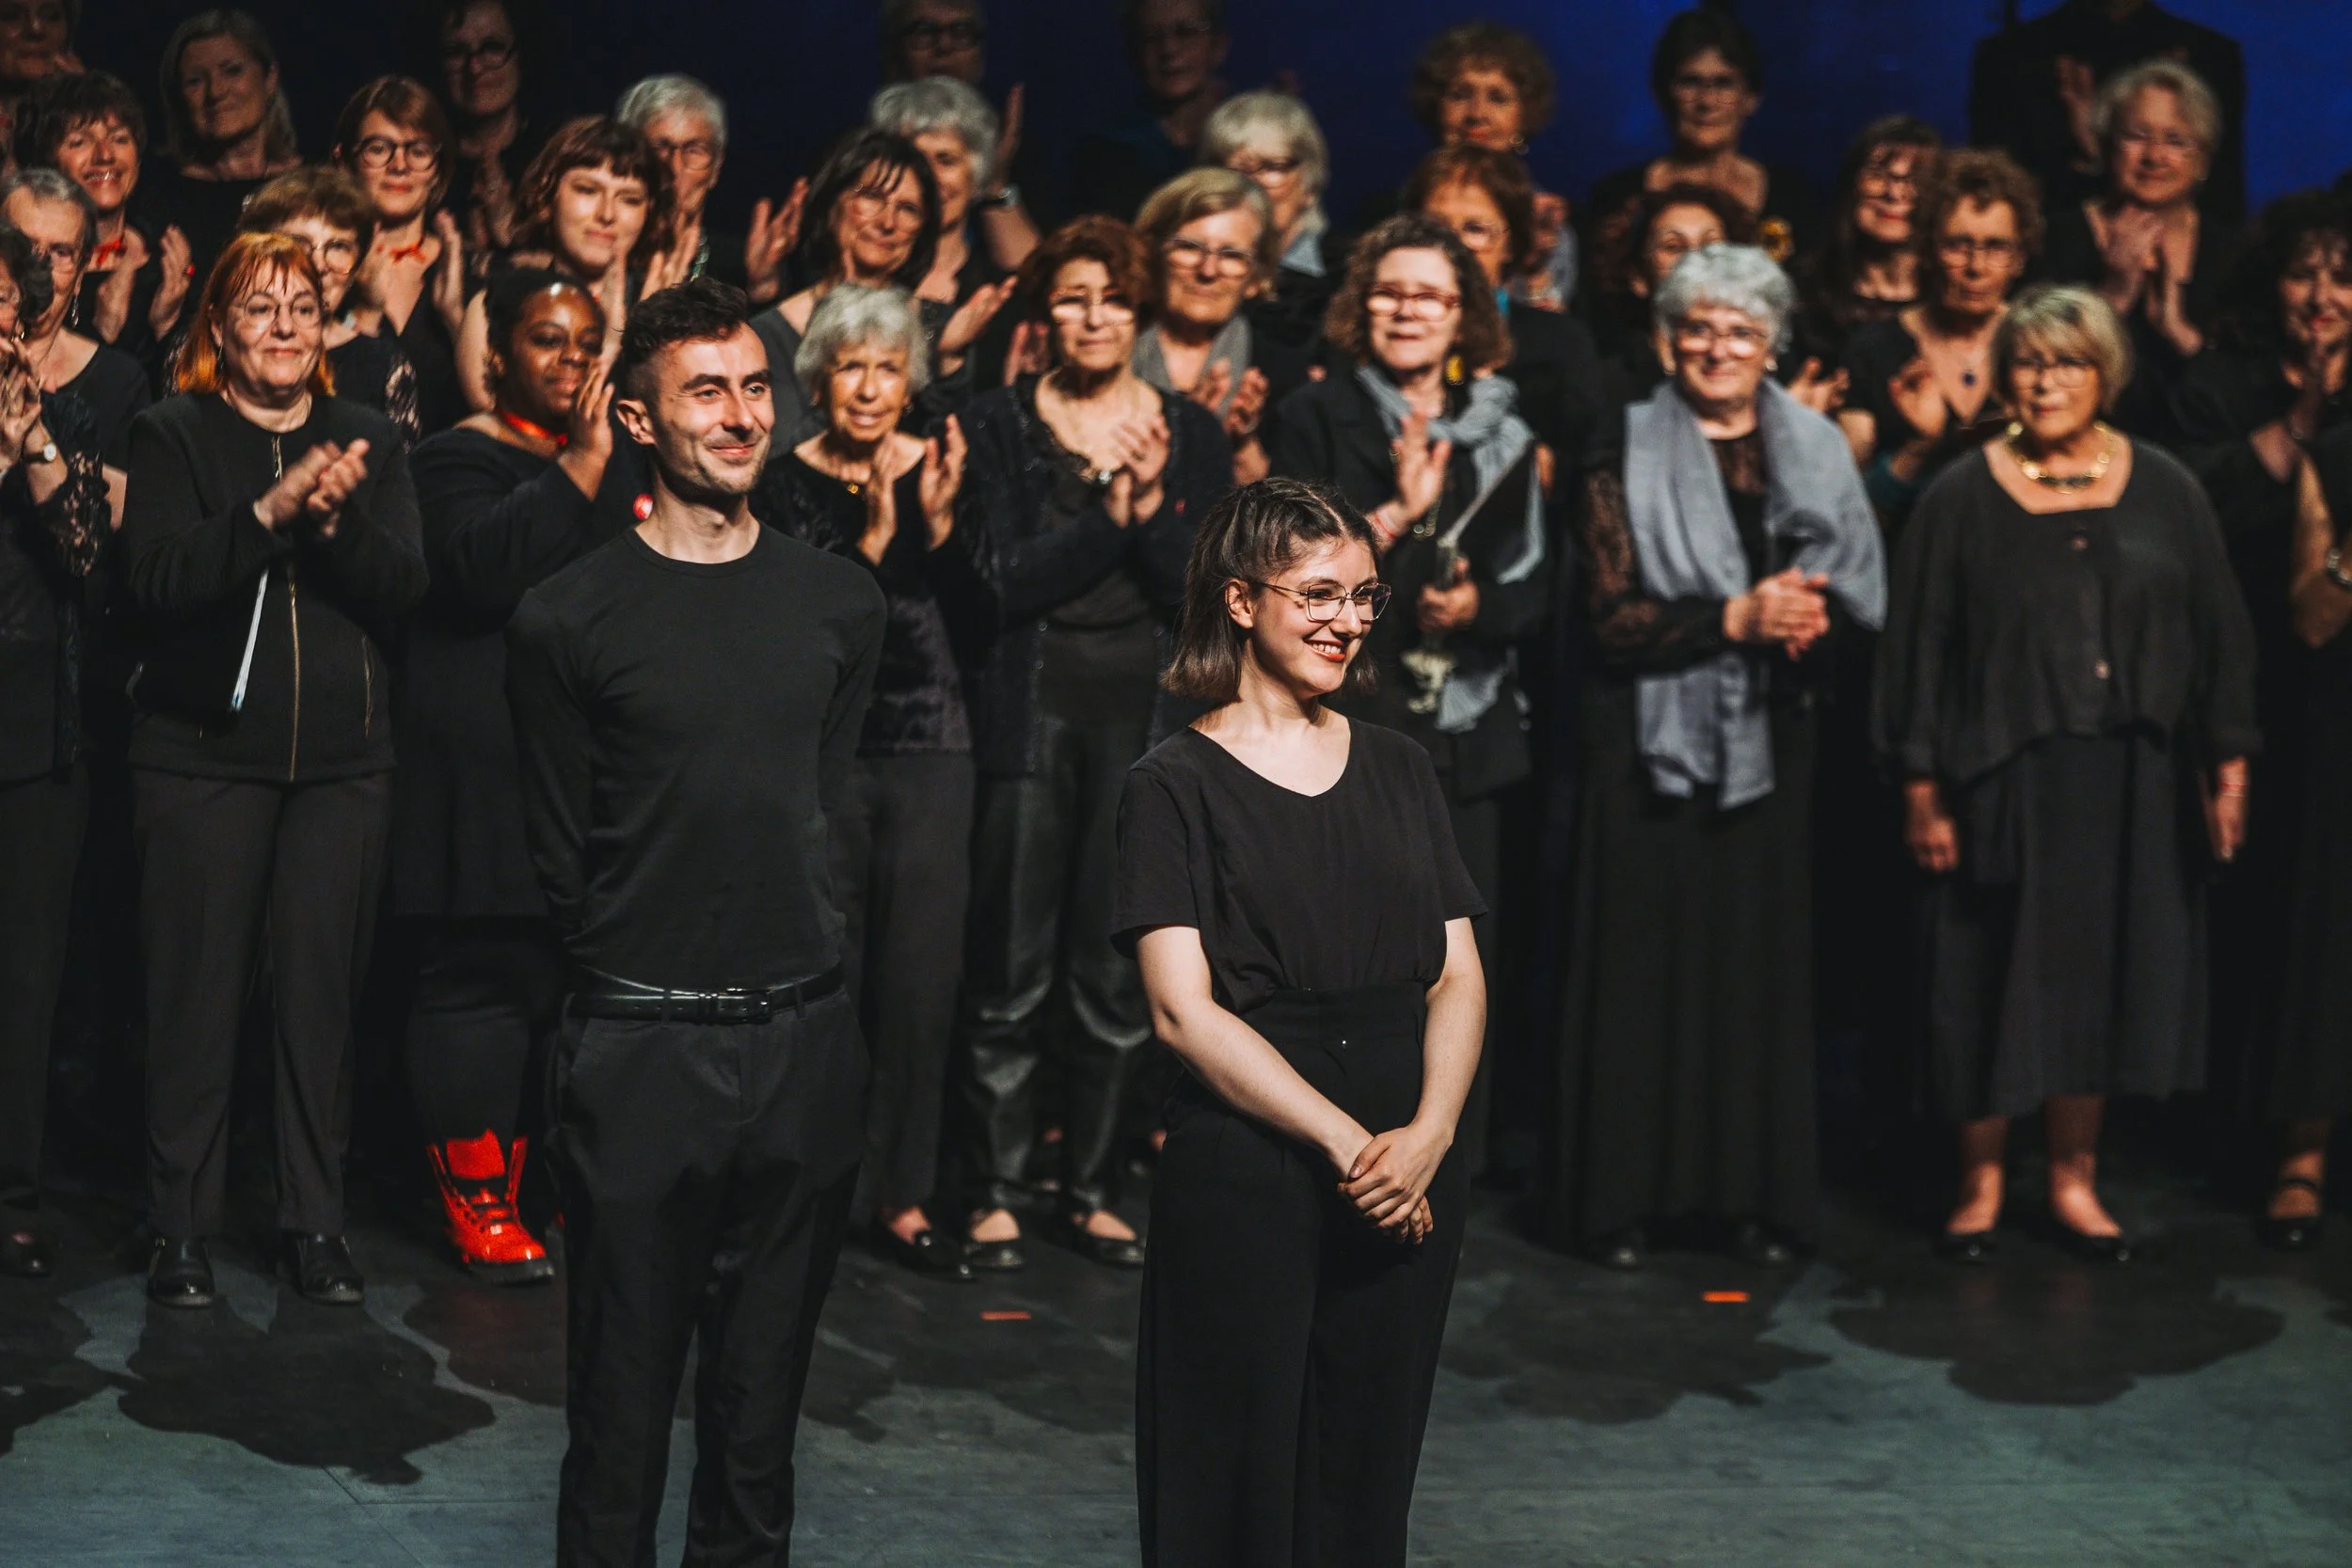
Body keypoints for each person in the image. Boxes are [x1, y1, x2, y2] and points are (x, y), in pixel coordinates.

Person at [504, 277, 883, 1566]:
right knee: (618, 1428)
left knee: (758, 1430)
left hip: (800, 1043)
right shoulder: (569, 614)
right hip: (640, 1048)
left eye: (754, 386)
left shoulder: (840, 603)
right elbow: (564, 848)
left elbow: (819, 811)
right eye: (706, 390)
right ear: (638, 417)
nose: (740, 415)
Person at [1116, 477, 1484, 1565]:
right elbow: (1183, 1013)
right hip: (1256, 1148)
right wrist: (1348, 1146)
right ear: (1240, 600)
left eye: (1364, 597)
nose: (1348, 621)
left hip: (1406, 1146)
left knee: (1363, 1469)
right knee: (1231, 1467)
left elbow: (1456, 976)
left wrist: (1427, 1138)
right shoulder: (1171, 782)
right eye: (1318, 594)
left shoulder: (1401, 766)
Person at [1873, 284, 2258, 1265]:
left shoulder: (2166, 484)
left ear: (2106, 374)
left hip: (2132, 779)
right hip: (1998, 780)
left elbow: (2219, 631)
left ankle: (2075, 1179)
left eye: (2067, 362)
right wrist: (1921, 782)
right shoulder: (1962, 492)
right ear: (2004, 375)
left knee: (2098, 978)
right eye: (2029, 362)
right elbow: (1917, 646)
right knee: (1982, 972)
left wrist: (2227, 768)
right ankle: (1981, 1179)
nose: (2046, 381)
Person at [1549, 244, 1883, 1268]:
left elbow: (1861, 592)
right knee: (1644, 979)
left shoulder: (1815, 444)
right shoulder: (1624, 435)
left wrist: (1803, 620)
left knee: (1752, 982)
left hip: (1773, 743)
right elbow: (1609, 617)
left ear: (1772, 344)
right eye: (1697, 327)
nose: (1716, 346)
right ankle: (1620, 1203)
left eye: (1739, 330)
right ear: (1667, 337)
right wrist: (1739, 614)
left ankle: (1747, 1200)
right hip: (1646, 743)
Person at [118, 232, 426, 1308]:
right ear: (220, 328)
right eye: (260, 307)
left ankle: (315, 1223)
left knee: (318, 1003)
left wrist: (331, 521)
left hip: (344, 767)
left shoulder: (368, 437)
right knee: (194, 1000)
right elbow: (153, 580)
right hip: (202, 761)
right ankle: (181, 1229)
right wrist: (267, 514)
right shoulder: (172, 433)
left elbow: (405, 587)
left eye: (304, 304)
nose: (286, 324)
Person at [954, 215, 1228, 1272]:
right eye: (1071, 297)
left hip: (1142, 726)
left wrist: (1151, 505)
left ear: (1140, 307)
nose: (1093, 315)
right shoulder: (997, 423)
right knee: (1011, 969)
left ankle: (1096, 1184)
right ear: (1044, 312)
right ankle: (993, 1188)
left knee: (1116, 976)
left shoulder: (1189, 428)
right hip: (1029, 719)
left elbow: (1201, 591)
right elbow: (997, 584)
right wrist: (1105, 518)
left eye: (1111, 298)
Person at [1265, 214, 1546, 1181]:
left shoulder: (1505, 432)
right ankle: (1354, 1147)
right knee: (1355, 948)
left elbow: (1539, 590)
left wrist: (1479, 605)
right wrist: (1396, 515)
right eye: (1388, 291)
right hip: (1355, 724)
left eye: (1429, 294)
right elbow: (1294, 580)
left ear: (1467, 313)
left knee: (1462, 957)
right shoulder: (1316, 417)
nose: (1406, 310)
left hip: (1467, 728)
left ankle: (1447, 1146)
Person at [394, 267, 642, 1283]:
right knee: (481, 989)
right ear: (495, 356)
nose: (571, 360)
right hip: (479, 779)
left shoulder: (625, 469)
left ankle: (548, 1189)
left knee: (564, 993)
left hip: (586, 781)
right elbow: (479, 573)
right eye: (548, 339)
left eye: (587, 343)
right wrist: (581, 466)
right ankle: (475, 1198)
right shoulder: (454, 459)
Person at [766, 285, 993, 1282]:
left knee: (920, 980)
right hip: (832, 748)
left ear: (912, 382)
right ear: (818, 379)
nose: (867, 387)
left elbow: (988, 619)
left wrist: (936, 532)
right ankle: (813, 1181)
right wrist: (866, 547)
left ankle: (902, 1194)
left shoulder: (944, 467)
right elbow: (802, 628)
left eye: (887, 367)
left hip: (933, 743)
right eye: (850, 366)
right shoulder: (785, 480)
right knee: (830, 970)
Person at [0, 225, 112, 1279]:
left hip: (34, 727)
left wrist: (30, 436)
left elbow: (87, 552)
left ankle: (13, 1192)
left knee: (25, 978)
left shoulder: (54, 413)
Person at [751, 128, 1009, 451]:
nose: (888, 222)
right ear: (833, 203)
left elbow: (952, 461)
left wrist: (947, 366)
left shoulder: (943, 328)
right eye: (872, 197)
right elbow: (777, 461)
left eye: (908, 209)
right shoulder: (769, 334)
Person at [1838, 150, 2042, 530]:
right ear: (1928, 250)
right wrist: (1919, 446)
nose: (1976, 268)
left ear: (2020, 258)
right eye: (1957, 245)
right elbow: (1850, 514)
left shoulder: (2043, 348)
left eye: (1996, 248)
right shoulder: (1873, 350)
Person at [2041, 59, 2233, 448]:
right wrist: (2113, 294)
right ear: (2107, 145)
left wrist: (2181, 335)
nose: (2154, 156)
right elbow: (2036, 368)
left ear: (2203, 162)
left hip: (2198, 454)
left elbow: (2240, 397)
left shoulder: (2231, 251)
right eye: (2136, 135)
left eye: (2176, 141)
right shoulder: (2054, 237)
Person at [2268, 424, 2352, 1247]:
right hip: (2341, 728)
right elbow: (2310, 618)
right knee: (2330, 935)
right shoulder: (2331, 457)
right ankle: (2305, 1152)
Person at [455, 115, 686, 414]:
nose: (607, 214)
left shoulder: (658, 306)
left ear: (649, 214)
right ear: (548, 196)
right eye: (587, 190)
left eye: (629, 199)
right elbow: (499, 434)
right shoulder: (496, 306)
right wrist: (609, 344)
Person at [1406, 144, 1612, 477]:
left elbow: (1588, 463)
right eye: (1435, 227)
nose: (1452, 245)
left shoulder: (1561, 343)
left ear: (1512, 244)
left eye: (1475, 229)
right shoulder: (1383, 337)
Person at [1967, 0, 2245, 226]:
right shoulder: (2011, 57)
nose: (2154, 154)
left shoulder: (2209, 57)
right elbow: (1994, 190)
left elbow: (2225, 189)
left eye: (2173, 139)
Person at [1584, 8, 1816, 268]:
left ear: (1751, 98)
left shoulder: (1796, 201)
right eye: (1690, 82)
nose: (1706, 101)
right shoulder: (1616, 197)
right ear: (1663, 94)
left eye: (1723, 83)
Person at [1132, 167, 1297, 483]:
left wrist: (1242, 443)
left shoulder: (1283, 374)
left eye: (1232, 255)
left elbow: (1290, 518)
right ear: (1154, 253)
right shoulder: (1108, 347)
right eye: (1189, 247)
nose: (1208, 270)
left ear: (1256, 278)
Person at [14, 70, 193, 363]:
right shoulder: (22, 266)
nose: (105, 155)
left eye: (119, 138)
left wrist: (167, 327)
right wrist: (102, 332)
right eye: (79, 142)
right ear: (48, 160)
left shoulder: (167, 263)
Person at [3, 169, 151, 517]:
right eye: (23, 247)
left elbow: (130, 515)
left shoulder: (120, 382)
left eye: (60, 253)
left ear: (82, 272)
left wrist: (41, 441)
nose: (38, 267)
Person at [870, 75, 1037, 386]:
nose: (931, 177)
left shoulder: (1001, 292)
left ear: (976, 174)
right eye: (917, 159)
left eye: (946, 160)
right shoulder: (865, 279)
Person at [1406, 22, 1577, 313]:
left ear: (1526, 115)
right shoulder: (1390, 211)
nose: (1477, 114)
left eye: (1497, 98)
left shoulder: (1546, 223)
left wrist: (1533, 271)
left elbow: (1546, 328)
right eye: (1460, 95)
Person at [240, 168, 421, 442]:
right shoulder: (213, 349)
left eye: (337, 247)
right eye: (298, 244)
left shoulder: (385, 368)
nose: (318, 265)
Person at [333, 74, 469, 435]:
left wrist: (456, 317)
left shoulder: (472, 272)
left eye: (418, 151)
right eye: (379, 148)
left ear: (437, 167)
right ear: (345, 160)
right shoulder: (320, 269)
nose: (400, 165)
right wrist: (362, 315)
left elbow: (500, 402)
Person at [146, 9, 303, 286]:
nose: (216, 92)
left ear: (270, 78)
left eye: (232, 71)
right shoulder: (158, 198)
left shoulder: (311, 185)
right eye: (195, 80)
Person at [1793, 116, 1943, 380]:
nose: (1894, 194)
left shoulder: (1951, 297)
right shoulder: (1803, 289)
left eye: (1914, 180)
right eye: (1878, 175)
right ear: (1852, 185)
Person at [1583, 182, 1756, 405]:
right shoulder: (1607, 385)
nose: (1696, 258)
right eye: (1673, 247)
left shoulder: (1765, 371)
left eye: (1710, 244)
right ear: (1639, 278)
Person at [1201, 89, 1341, 362]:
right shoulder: (1195, 271)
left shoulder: (1350, 272)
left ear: (1310, 183)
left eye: (1272, 168)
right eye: (1236, 171)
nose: (1253, 184)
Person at [1069, 0, 1228, 224]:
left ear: (1218, 45)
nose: (1169, 49)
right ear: (1133, 52)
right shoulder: (1104, 152)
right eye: (1150, 37)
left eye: (1186, 32)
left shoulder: (1246, 141)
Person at [425, 0, 544, 256]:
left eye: (492, 48)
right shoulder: (419, 163)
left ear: (521, 56)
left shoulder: (556, 155)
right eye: (456, 52)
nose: (475, 67)